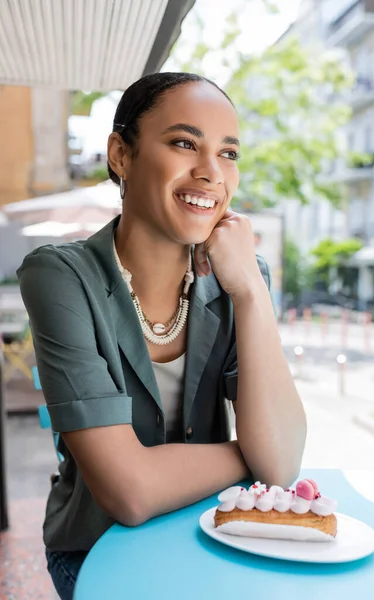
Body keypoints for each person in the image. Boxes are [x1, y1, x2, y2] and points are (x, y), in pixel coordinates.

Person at [17, 72, 307, 600]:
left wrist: (249, 292)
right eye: (183, 143)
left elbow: (284, 463)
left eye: (229, 153)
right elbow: (129, 491)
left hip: (213, 533)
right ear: (120, 155)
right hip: (98, 545)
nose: (211, 173)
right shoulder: (60, 276)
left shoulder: (241, 274)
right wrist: (252, 454)